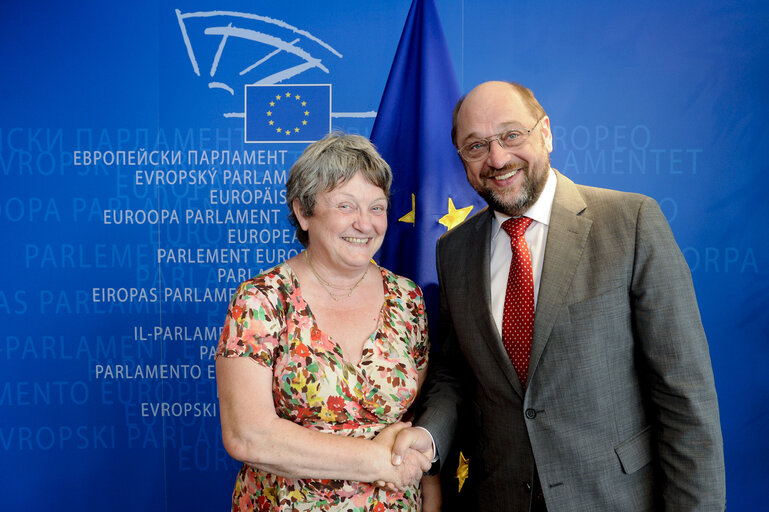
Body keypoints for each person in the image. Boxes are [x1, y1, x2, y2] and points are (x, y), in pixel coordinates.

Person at [390, 81, 726, 511]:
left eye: (512, 135)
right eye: (475, 146)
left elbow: (684, 397)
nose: (497, 158)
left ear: (545, 132)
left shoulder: (631, 223)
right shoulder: (453, 251)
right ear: (462, 159)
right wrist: (429, 434)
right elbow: (456, 373)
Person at [216, 132, 433, 511]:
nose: (364, 224)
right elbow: (247, 435)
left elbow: (415, 422)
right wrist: (373, 460)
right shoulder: (262, 301)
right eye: (346, 206)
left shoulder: (407, 299)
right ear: (303, 211)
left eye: (377, 208)